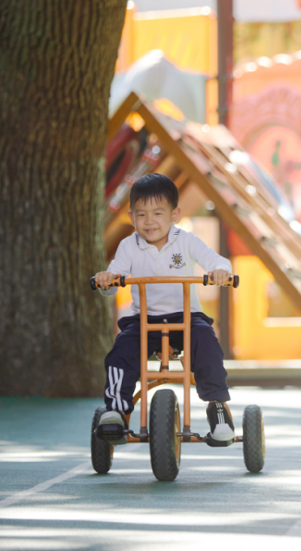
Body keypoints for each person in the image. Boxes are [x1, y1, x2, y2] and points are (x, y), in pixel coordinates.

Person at [93, 173, 236, 446]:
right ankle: (116, 410)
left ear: (175, 214)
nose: (149, 221)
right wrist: (105, 280)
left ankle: (217, 407)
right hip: (143, 320)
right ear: (131, 215)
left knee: (207, 342)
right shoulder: (128, 246)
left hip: (186, 318)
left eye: (158, 213)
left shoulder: (186, 241)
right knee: (121, 350)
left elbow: (218, 261)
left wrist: (220, 272)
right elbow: (112, 281)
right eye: (141, 214)